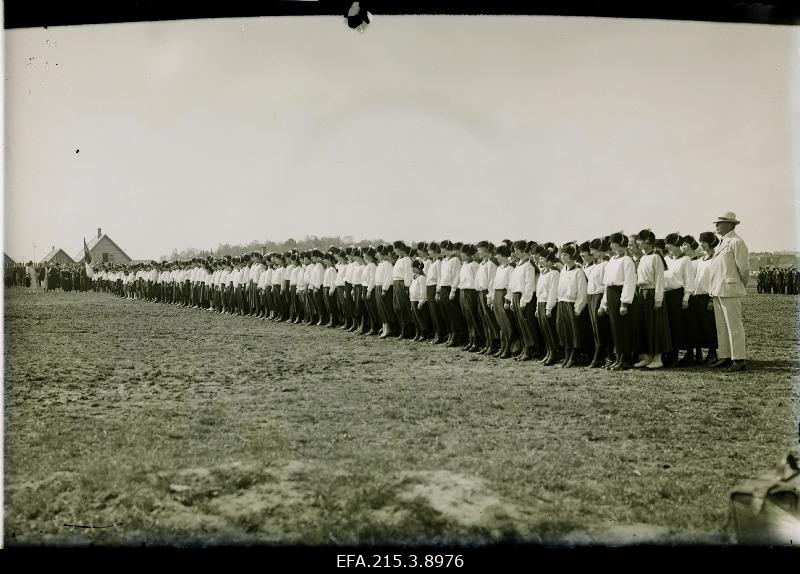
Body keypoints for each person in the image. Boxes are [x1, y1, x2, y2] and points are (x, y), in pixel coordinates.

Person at [708, 211, 749, 372]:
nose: (716, 225)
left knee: (734, 325)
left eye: (720, 222)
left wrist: (738, 283)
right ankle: (725, 356)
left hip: (730, 289)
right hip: (718, 289)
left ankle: (739, 358)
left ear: (730, 224)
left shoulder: (737, 242)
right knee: (721, 326)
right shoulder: (722, 242)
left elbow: (744, 268)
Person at [634, 230, 671, 369]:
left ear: (648, 241)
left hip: (652, 293)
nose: (638, 242)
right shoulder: (643, 258)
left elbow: (660, 279)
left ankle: (657, 358)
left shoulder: (656, 256)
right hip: (642, 293)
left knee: (656, 326)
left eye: (640, 240)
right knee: (644, 325)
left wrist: (658, 299)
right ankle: (647, 357)